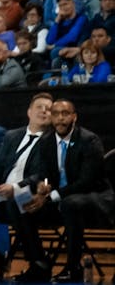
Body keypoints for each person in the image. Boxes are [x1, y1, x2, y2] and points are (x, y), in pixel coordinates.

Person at [9, 99, 115, 283]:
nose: (60, 118)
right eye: (56, 114)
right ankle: (39, 263)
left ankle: (73, 267)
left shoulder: (89, 140)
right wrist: (43, 187)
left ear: (74, 116)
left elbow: (87, 182)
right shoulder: (46, 141)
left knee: (71, 203)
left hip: (92, 199)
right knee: (18, 201)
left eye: (65, 114)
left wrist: (52, 195)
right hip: (59, 199)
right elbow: (45, 174)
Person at [0, 93, 53, 280]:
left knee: (16, 201)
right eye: (39, 107)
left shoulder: (52, 140)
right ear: (29, 112)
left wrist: (15, 188)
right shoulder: (12, 136)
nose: (44, 111)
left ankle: (38, 264)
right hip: (2, 192)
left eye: (48, 109)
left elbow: (44, 175)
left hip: (33, 193)